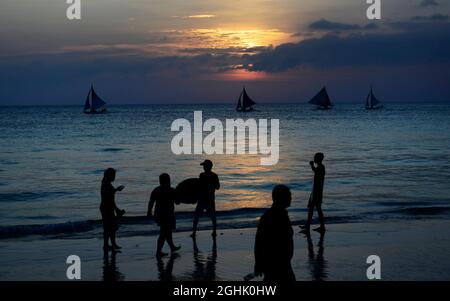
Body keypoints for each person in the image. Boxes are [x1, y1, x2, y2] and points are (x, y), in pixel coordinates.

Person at [254, 185, 296, 281]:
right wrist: (258, 264)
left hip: (284, 263)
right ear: (281, 198)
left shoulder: (282, 215)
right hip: (276, 264)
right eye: (288, 196)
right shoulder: (269, 217)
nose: (291, 198)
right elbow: (259, 242)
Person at [148, 173, 181, 257]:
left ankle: (172, 247)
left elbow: (151, 202)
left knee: (167, 231)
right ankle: (158, 252)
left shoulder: (156, 190)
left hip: (158, 214)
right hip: (168, 214)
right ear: (168, 181)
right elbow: (177, 202)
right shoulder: (172, 190)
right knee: (164, 233)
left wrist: (149, 212)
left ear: (160, 181)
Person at [191, 159, 220, 238]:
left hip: (207, 199)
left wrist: (209, 185)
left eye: (204, 166)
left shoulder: (212, 176)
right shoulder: (203, 175)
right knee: (210, 216)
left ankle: (212, 231)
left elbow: (217, 187)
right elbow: (199, 187)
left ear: (209, 167)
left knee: (200, 215)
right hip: (205, 199)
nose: (203, 167)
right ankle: (195, 232)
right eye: (203, 166)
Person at [100, 168, 125, 252]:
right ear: (108, 176)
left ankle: (112, 244)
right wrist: (116, 190)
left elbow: (111, 199)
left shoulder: (107, 183)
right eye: (113, 175)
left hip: (109, 207)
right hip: (106, 208)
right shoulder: (105, 184)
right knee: (108, 227)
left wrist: (116, 209)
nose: (114, 177)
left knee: (112, 227)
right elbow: (108, 194)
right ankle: (106, 245)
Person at [301, 152, 326, 233]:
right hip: (315, 191)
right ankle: (308, 225)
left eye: (315, 158)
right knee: (312, 208)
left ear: (319, 159)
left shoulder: (321, 167)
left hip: (317, 192)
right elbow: (316, 171)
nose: (314, 159)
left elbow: (315, 171)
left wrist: (311, 165)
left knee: (317, 208)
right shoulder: (320, 167)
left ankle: (321, 226)